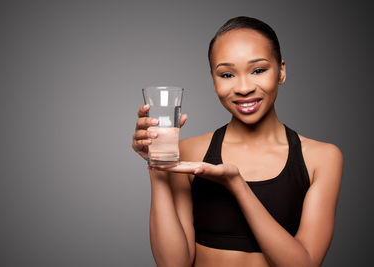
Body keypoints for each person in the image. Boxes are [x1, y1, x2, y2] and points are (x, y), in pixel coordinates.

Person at [132, 16, 343, 267]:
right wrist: (157, 165)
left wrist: (237, 185)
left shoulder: (321, 158)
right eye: (227, 74)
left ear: (281, 71)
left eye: (258, 70)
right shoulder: (189, 152)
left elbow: (304, 264)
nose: (243, 88)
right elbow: (173, 264)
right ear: (213, 81)